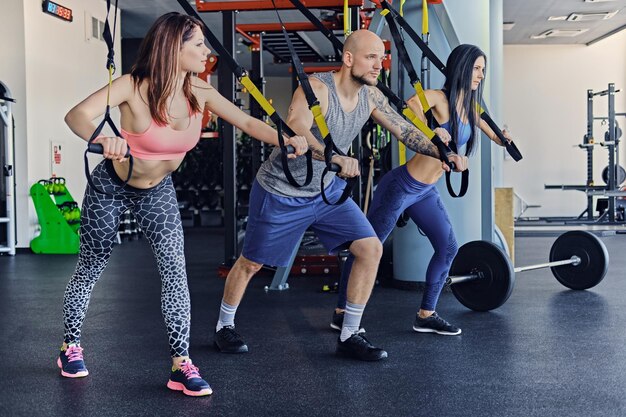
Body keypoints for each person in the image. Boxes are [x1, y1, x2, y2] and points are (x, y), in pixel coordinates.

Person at [60, 12, 307, 396]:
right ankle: (70, 346)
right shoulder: (132, 85)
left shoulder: (201, 91)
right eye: (198, 44)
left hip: (158, 190)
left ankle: (181, 364)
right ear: (174, 48)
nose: (206, 51)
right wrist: (101, 138)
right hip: (112, 186)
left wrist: (287, 139)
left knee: (175, 270)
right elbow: (76, 114)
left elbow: (246, 122)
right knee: (92, 266)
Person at [212, 29, 466, 361]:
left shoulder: (371, 97)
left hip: (327, 193)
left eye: (381, 57)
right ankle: (223, 325)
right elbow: (296, 125)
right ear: (348, 59)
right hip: (282, 191)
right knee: (252, 263)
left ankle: (350, 334)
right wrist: (331, 156)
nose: (379, 64)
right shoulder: (317, 88)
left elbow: (404, 130)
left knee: (370, 248)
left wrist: (441, 152)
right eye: (370, 57)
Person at [331, 44, 513, 336]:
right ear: (462, 68)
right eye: (476, 68)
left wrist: (505, 138)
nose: (480, 75)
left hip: (426, 192)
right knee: (368, 247)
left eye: (483, 69)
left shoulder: (471, 108)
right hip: (401, 186)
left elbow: (493, 135)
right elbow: (410, 106)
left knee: (448, 247)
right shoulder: (439, 99)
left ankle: (426, 314)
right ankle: (342, 312)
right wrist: (431, 130)